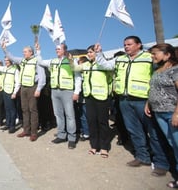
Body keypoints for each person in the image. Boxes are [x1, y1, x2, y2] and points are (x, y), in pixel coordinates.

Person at [95, 36, 170, 176]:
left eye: (129, 44)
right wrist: (99, 53)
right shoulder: (120, 59)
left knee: (154, 133)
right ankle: (143, 157)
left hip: (144, 101)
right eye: (124, 45)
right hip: (125, 100)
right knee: (134, 130)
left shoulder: (149, 58)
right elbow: (104, 65)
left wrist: (151, 99)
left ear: (139, 45)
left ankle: (161, 163)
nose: (126, 47)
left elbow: (159, 76)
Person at [144, 43, 178, 188]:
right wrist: (148, 103)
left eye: (155, 53)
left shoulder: (175, 70)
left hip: (172, 112)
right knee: (172, 143)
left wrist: (177, 113)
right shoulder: (157, 70)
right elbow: (154, 88)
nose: (153, 56)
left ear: (167, 54)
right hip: (158, 112)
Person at [37, 43, 82, 149]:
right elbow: (40, 62)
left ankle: (72, 138)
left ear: (65, 50)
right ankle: (61, 135)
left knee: (70, 115)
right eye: (56, 49)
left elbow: (78, 77)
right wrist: (38, 51)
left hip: (67, 91)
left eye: (59, 49)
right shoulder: (53, 61)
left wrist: (76, 92)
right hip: (55, 91)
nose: (56, 50)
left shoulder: (71, 61)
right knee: (58, 114)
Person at [72, 45, 112, 157]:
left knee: (102, 123)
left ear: (97, 52)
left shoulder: (103, 64)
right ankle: (94, 146)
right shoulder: (85, 64)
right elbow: (74, 68)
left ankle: (104, 147)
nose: (89, 54)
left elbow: (110, 80)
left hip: (102, 97)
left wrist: (109, 94)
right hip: (89, 97)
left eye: (91, 52)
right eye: (88, 52)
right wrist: (71, 60)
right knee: (92, 122)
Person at [3, 43, 46, 142]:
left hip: (32, 87)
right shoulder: (22, 61)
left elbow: (42, 76)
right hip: (23, 88)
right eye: (23, 52)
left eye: (25, 52)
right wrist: (5, 49)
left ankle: (34, 133)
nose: (23, 53)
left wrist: (39, 89)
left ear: (31, 52)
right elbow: (12, 57)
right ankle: (26, 130)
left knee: (33, 110)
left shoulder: (37, 61)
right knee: (24, 110)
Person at [0, 55, 21, 134]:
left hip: (11, 92)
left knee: (12, 110)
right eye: (5, 60)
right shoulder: (4, 68)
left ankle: (12, 126)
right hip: (4, 91)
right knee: (7, 109)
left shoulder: (15, 70)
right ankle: (7, 124)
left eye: (7, 60)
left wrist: (15, 92)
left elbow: (18, 82)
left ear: (11, 61)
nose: (6, 62)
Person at [74, 56, 90, 142]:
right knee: (80, 114)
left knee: (84, 115)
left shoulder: (84, 72)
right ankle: (81, 130)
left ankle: (86, 133)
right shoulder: (80, 72)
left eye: (79, 62)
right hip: (80, 97)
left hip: (84, 96)